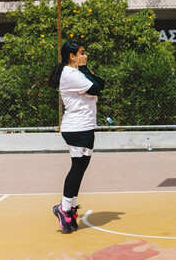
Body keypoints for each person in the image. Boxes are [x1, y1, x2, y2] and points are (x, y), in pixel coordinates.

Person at [48, 41, 104, 233]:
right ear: (72, 56)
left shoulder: (76, 72)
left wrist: (85, 70)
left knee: (81, 167)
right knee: (77, 167)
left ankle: (70, 206)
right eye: (81, 53)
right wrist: (85, 68)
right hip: (78, 127)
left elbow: (100, 84)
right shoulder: (71, 73)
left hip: (84, 126)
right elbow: (95, 89)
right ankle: (64, 208)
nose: (85, 55)